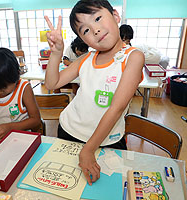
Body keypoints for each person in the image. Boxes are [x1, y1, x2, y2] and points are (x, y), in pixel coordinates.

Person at [44, 0, 144, 185]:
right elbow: (52, 82)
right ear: (83, 39)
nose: (95, 30)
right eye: (86, 30)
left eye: (98, 18)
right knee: (66, 185)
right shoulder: (86, 59)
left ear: (115, 16)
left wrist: (88, 149)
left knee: (106, 188)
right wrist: (56, 52)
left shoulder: (133, 57)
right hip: (69, 130)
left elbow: (117, 107)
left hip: (107, 141)